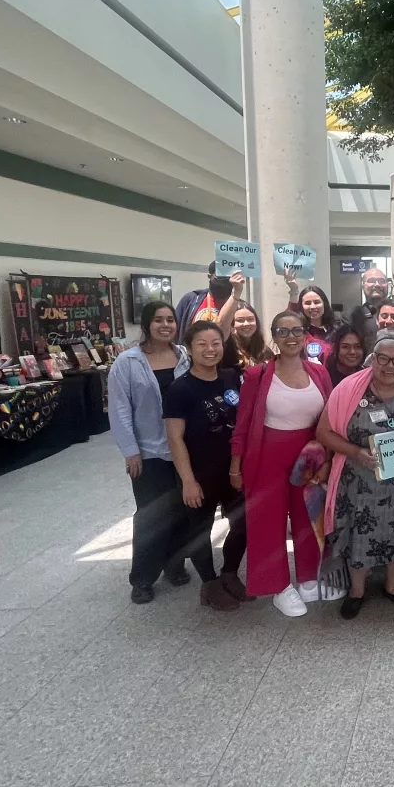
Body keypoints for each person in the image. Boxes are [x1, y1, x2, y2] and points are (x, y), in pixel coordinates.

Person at [318, 331, 394, 619]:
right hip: (358, 481)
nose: (389, 366)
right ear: (372, 359)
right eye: (383, 358)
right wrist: (356, 452)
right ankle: (357, 591)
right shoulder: (349, 389)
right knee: (359, 535)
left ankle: (393, 587)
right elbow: (323, 432)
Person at [230, 310, 337, 616]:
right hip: (267, 457)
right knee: (267, 522)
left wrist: (327, 459)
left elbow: (330, 419)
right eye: (283, 331)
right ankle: (277, 586)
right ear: (274, 336)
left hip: (308, 456)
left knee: (308, 517)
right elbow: (242, 425)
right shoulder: (257, 375)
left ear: (305, 335)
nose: (291, 337)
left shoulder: (319, 372)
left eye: (296, 330)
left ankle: (308, 578)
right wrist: (235, 467)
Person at [163, 321, 250, 612]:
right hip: (199, 472)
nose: (210, 349)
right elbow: (175, 439)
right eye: (202, 344)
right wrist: (188, 481)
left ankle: (229, 574)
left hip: (232, 469)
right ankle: (209, 584)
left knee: (244, 522)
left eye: (215, 343)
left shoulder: (230, 377)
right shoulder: (180, 389)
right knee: (200, 530)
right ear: (189, 349)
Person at [108, 301, 191, 604]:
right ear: (146, 324)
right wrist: (130, 451)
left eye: (170, 319)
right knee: (150, 516)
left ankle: (175, 564)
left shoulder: (185, 356)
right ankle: (142, 578)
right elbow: (119, 409)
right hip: (149, 452)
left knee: (182, 510)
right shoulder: (127, 362)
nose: (165, 325)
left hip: (186, 449)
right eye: (158, 320)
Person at [174, 261, 235, 340]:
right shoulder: (191, 300)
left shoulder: (238, 304)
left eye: (229, 276)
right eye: (220, 275)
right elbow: (175, 330)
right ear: (209, 276)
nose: (225, 280)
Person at [220, 300, 273, 375]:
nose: (246, 324)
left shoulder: (265, 351)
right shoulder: (227, 350)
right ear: (231, 325)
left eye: (250, 319)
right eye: (240, 320)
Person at [289, 284, 337, 363]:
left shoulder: (336, 331)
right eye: (307, 303)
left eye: (317, 302)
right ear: (301, 307)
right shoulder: (299, 333)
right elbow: (289, 315)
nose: (312, 306)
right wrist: (293, 289)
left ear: (324, 304)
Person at [347, 267, 389, 347]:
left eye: (381, 281)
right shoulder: (351, 316)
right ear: (363, 287)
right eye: (371, 281)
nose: (377, 284)